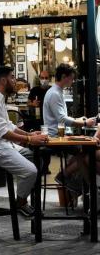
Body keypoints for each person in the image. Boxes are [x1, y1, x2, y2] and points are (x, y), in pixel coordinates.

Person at [0, 66, 48, 217]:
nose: (15, 81)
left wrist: (29, 134)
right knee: (30, 171)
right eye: (12, 77)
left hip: (2, 144)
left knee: (36, 158)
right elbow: (3, 133)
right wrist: (29, 139)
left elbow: (9, 126)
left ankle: (24, 196)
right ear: (3, 80)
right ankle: (20, 203)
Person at [42, 64, 95, 193]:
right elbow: (62, 119)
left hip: (58, 134)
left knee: (81, 150)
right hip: (54, 137)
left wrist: (80, 120)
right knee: (81, 152)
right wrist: (83, 123)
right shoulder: (54, 93)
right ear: (64, 77)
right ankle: (88, 187)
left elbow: (62, 117)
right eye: (71, 78)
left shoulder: (57, 92)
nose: (72, 81)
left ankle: (73, 183)